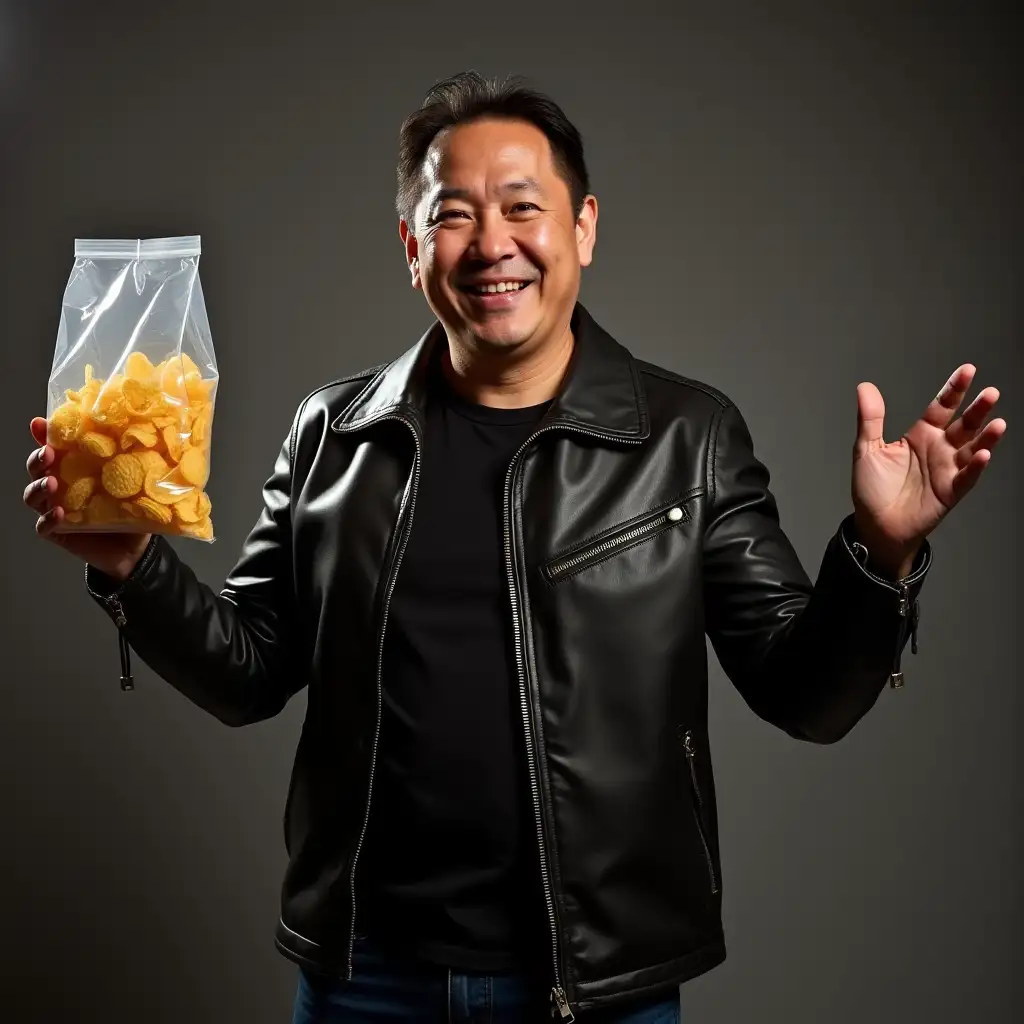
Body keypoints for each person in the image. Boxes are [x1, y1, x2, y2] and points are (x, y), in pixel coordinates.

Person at [23, 71, 1006, 1024]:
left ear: (582, 227)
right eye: (452, 214)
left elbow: (804, 694)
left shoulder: (685, 437)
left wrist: (878, 552)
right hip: (366, 978)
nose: (491, 244)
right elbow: (250, 671)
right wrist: (130, 567)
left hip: (597, 985)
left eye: (523, 208)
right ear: (411, 245)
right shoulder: (334, 432)